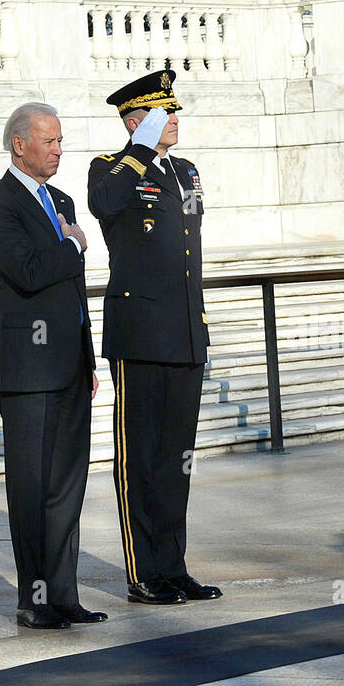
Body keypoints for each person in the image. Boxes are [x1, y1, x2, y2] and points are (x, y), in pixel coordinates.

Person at [87, 70, 222, 606]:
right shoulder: (111, 168)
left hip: (186, 331)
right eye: (165, 113)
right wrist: (140, 146)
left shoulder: (184, 170)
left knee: (176, 458)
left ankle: (173, 566)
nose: (177, 120)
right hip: (141, 334)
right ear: (136, 121)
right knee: (139, 457)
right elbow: (105, 204)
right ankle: (144, 571)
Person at [0, 102, 107, 629]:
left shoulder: (62, 198)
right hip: (29, 369)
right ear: (19, 144)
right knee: (31, 488)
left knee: (67, 486)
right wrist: (70, 244)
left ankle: (64, 595)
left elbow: (72, 291)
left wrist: (87, 356)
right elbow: (28, 272)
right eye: (48, 141)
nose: (57, 150)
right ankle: (34, 600)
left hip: (70, 363)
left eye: (60, 141)